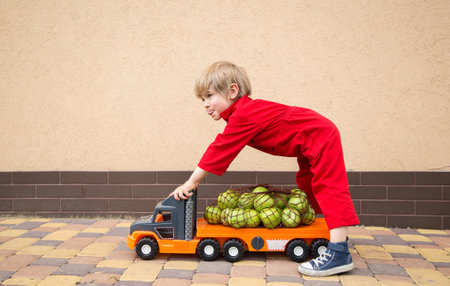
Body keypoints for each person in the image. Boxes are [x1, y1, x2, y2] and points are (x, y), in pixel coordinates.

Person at [170, 61, 359, 276]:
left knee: (328, 187)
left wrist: (191, 182)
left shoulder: (244, 114)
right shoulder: (240, 115)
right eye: (202, 99)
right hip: (312, 138)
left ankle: (338, 253)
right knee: (308, 184)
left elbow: (219, 149)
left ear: (233, 91)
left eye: (210, 96)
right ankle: (333, 235)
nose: (205, 103)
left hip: (320, 136)